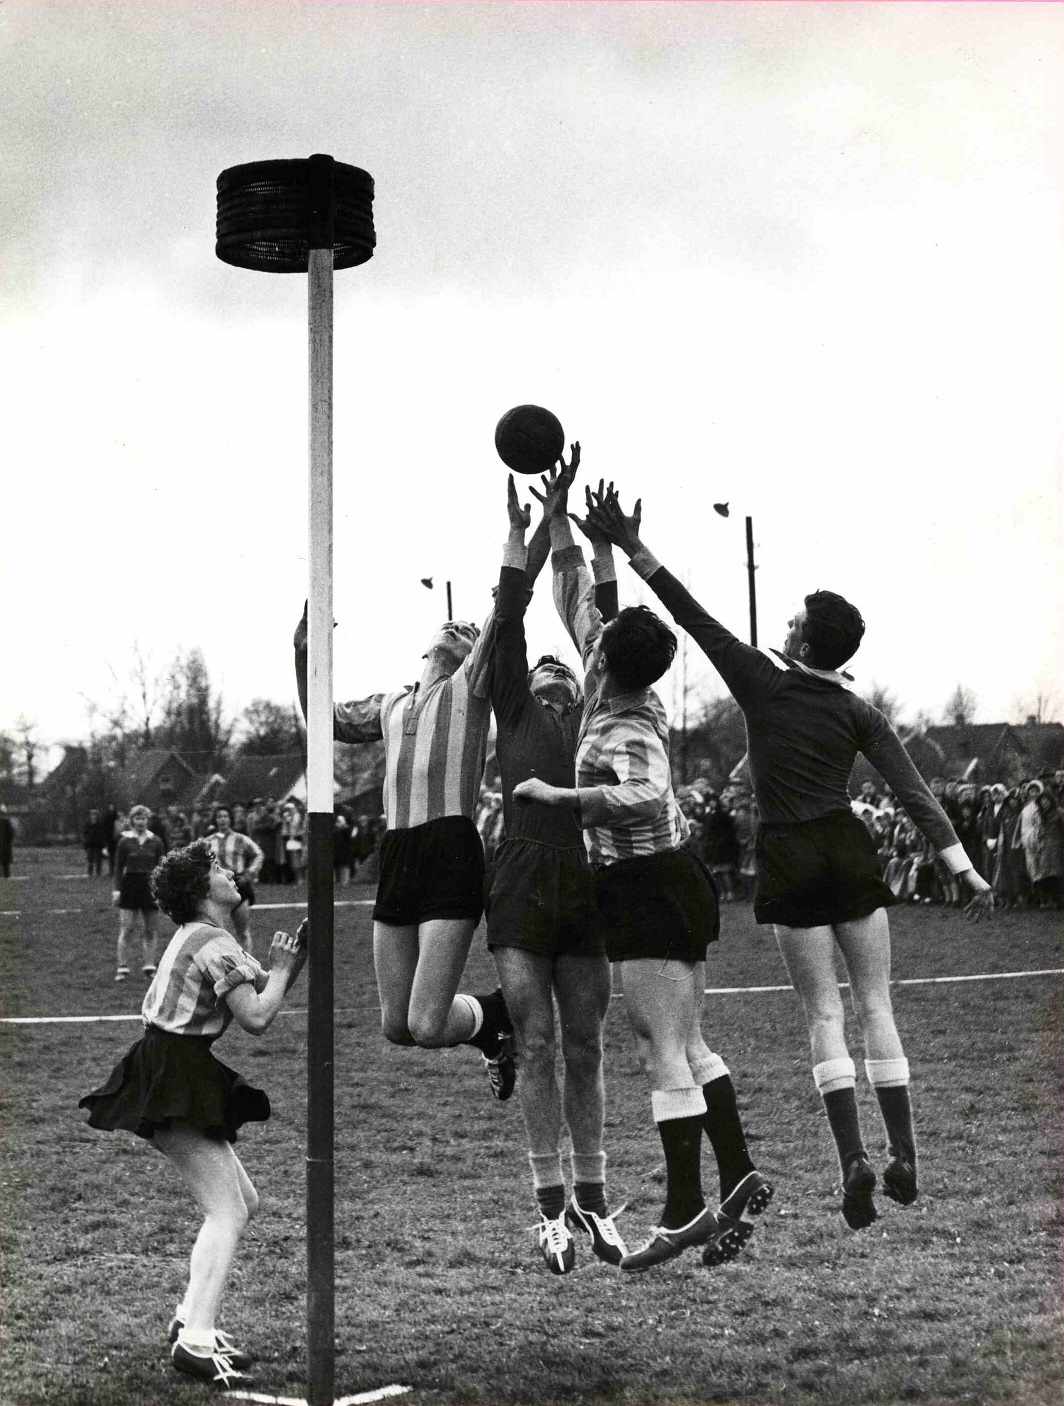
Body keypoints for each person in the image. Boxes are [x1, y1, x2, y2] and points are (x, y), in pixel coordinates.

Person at [583, 485, 994, 1230]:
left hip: (790, 854)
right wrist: (962, 867)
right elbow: (913, 791)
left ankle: (852, 1159)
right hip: (847, 847)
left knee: (823, 1012)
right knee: (876, 1004)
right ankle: (903, 1151)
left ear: (803, 644)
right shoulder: (857, 708)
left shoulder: (763, 681)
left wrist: (632, 547)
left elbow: (691, 615)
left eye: (794, 622)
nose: (785, 625)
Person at [514, 469, 770, 1273]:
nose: (590, 631)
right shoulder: (612, 673)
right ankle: (739, 1173)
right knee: (687, 1043)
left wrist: (561, 796)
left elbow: (646, 792)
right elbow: (577, 596)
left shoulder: (627, 725)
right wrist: (574, 530)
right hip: (674, 881)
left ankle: (684, 1208)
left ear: (604, 657)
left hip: (648, 886)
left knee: (663, 1048)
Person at [79, 840, 306, 1390]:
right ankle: (195, 1341)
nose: (230, 873)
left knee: (241, 1203)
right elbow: (257, 1017)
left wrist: (291, 964)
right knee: (226, 1212)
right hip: (174, 1069)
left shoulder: (204, 935)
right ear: (203, 890)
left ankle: (188, 1320)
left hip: (170, 1063)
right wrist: (283, 968)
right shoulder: (212, 941)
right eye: (219, 869)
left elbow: (264, 990)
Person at [486, 466, 627, 1273]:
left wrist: (579, 531)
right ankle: (549, 1209)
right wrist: (523, 535)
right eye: (539, 667)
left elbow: (608, 630)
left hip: (588, 879)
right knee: (535, 1044)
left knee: (586, 1044)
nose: (550, 667)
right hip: (521, 878)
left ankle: (594, 1200)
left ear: (580, 683)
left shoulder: (601, 711)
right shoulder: (512, 708)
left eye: (562, 666)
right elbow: (510, 619)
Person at [293, 588, 513, 1099]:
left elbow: (503, 613)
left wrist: (510, 576)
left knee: (427, 1025)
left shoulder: (470, 685)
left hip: (450, 846)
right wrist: (304, 654)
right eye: (451, 625)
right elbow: (324, 720)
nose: (459, 627)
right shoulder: (391, 703)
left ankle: (500, 1013)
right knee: (397, 1026)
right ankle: (490, 1024)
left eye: (470, 630)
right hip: (398, 853)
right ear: (425, 647)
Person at [112, 805, 168, 982]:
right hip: (130, 886)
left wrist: (162, 889)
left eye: (143, 818)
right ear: (132, 820)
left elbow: (162, 867)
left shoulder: (156, 841)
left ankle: (149, 966)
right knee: (127, 928)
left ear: (147, 820)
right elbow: (118, 868)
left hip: (150, 887)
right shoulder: (124, 841)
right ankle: (122, 966)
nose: (140, 822)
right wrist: (117, 890)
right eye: (137, 818)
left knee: (150, 929)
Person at [206, 806, 265, 954]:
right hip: (218, 886)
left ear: (230, 819)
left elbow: (258, 854)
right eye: (219, 816)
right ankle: (222, 962)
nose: (222, 820)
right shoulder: (208, 841)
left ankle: (248, 963)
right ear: (215, 820)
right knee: (218, 931)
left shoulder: (240, 838)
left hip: (238, 884)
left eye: (225, 816)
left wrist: (249, 873)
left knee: (242, 930)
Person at [83, 807, 108, 877]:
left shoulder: (100, 823)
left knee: (98, 860)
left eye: (95, 814)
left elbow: (103, 833)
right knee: (90, 859)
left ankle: (98, 873)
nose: (93, 816)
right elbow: (85, 833)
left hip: (98, 844)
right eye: (92, 814)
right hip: (90, 844)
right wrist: (86, 842)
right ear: (90, 815)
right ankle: (90, 873)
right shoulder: (87, 823)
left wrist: (104, 844)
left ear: (97, 815)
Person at [0, 806, 13, 879]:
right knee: (5, 863)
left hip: (4, 845)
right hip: (5, 846)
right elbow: (11, 834)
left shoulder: (7, 822)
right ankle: (6, 876)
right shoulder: (7, 822)